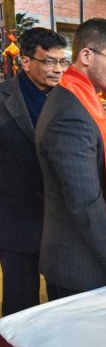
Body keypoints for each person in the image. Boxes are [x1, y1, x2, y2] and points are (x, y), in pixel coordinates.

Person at [35, 18, 106, 300]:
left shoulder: (82, 97)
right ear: (86, 55)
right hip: (80, 261)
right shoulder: (69, 110)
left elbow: (103, 163)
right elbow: (82, 200)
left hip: (88, 254)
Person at [0, 27, 67, 315]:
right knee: (20, 305)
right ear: (26, 62)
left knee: (63, 305)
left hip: (63, 222)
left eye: (62, 62)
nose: (57, 69)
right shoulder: (3, 97)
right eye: (49, 61)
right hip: (15, 220)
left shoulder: (69, 98)